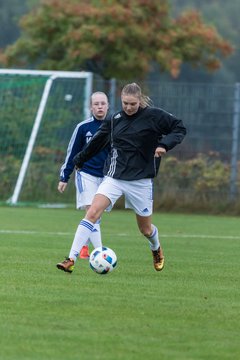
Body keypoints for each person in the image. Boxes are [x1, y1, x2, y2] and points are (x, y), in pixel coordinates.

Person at [57, 83, 186, 273]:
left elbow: (179, 128)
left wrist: (164, 145)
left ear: (140, 101)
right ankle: (71, 259)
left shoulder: (154, 116)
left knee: (146, 230)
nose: (128, 107)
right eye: (125, 103)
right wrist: (79, 160)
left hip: (141, 181)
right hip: (114, 178)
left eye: (132, 104)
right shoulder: (114, 119)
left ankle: (156, 248)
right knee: (92, 212)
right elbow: (97, 142)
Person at [57, 91, 109, 261]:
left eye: (103, 103)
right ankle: (101, 254)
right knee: (92, 210)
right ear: (91, 107)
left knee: (96, 214)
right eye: (96, 104)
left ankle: (85, 246)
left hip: (107, 177)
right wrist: (65, 176)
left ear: (108, 106)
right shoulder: (83, 127)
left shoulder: (114, 127)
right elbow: (72, 152)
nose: (100, 106)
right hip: (85, 173)